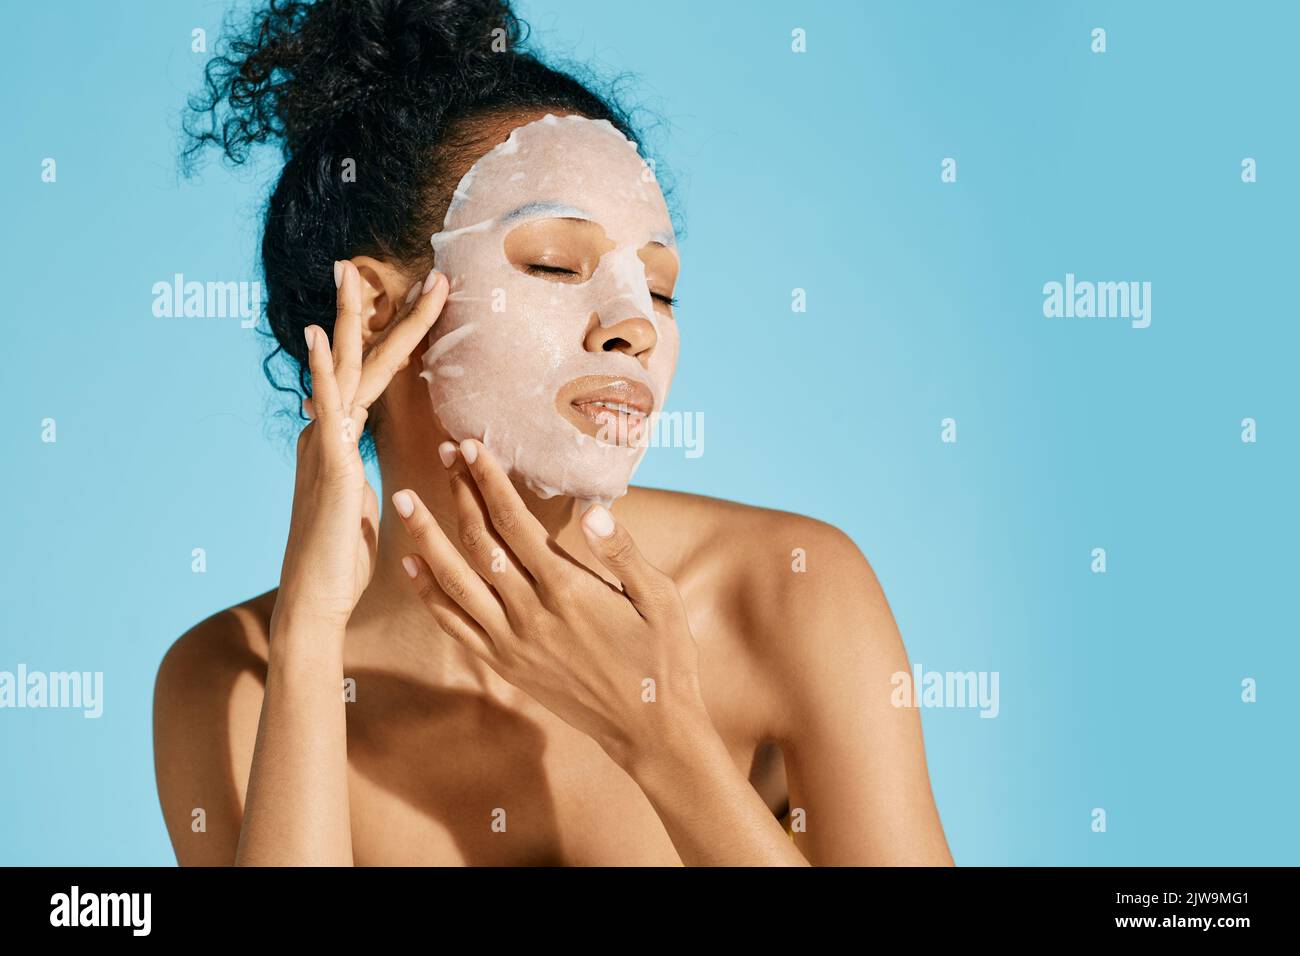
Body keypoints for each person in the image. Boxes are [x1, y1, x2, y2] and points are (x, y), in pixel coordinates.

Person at [153, 0, 953, 866]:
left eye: (660, 287)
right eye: (553, 265)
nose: (634, 324)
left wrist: (664, 739)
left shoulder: (789, 595)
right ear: (379, 315)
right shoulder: (232, 679)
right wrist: (310, 636)